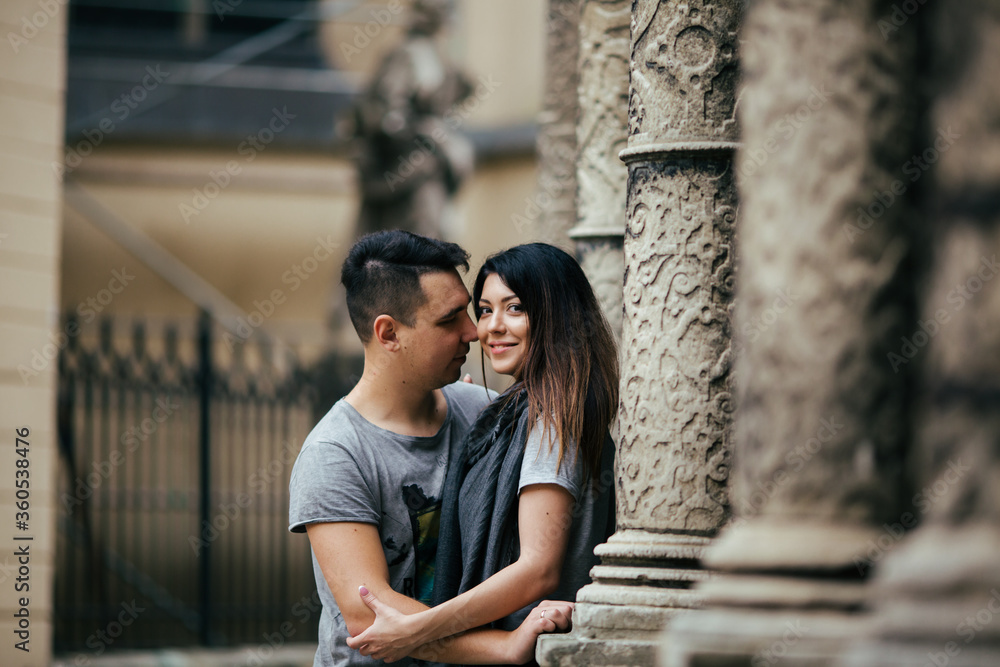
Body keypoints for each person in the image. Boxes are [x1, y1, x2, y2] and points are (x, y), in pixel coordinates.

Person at [289, 231, 572, 667]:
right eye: (449, 320)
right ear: (388, 334)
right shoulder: (334, 453)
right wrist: (502, 649)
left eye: (468, 313)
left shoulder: (478, 407)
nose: (474, 332)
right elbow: (370, 614)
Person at [345, 243, 619, 664]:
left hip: (535, 646)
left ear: (558, 314)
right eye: (486, 309)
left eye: (514, 308)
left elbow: (538, 567)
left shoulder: (550, 419)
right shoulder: (511, 414)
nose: (488, 328)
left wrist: (418, 630)